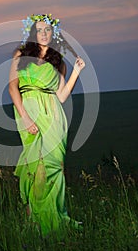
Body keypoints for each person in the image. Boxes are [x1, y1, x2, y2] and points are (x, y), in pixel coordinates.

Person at [9, 14, 85, 236]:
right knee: (36, 166)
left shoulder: (58, 61)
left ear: (54, 34)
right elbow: (13, 88)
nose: (43, 34)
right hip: (28, 110)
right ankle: (34, 219)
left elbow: (61, 96)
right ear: (33, 33)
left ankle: (54, 220)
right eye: (39, 30)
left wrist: (77, 71)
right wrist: (25, 117)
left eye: (48, 30)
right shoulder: (21, 54)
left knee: (53, 167)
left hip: (53, 115)